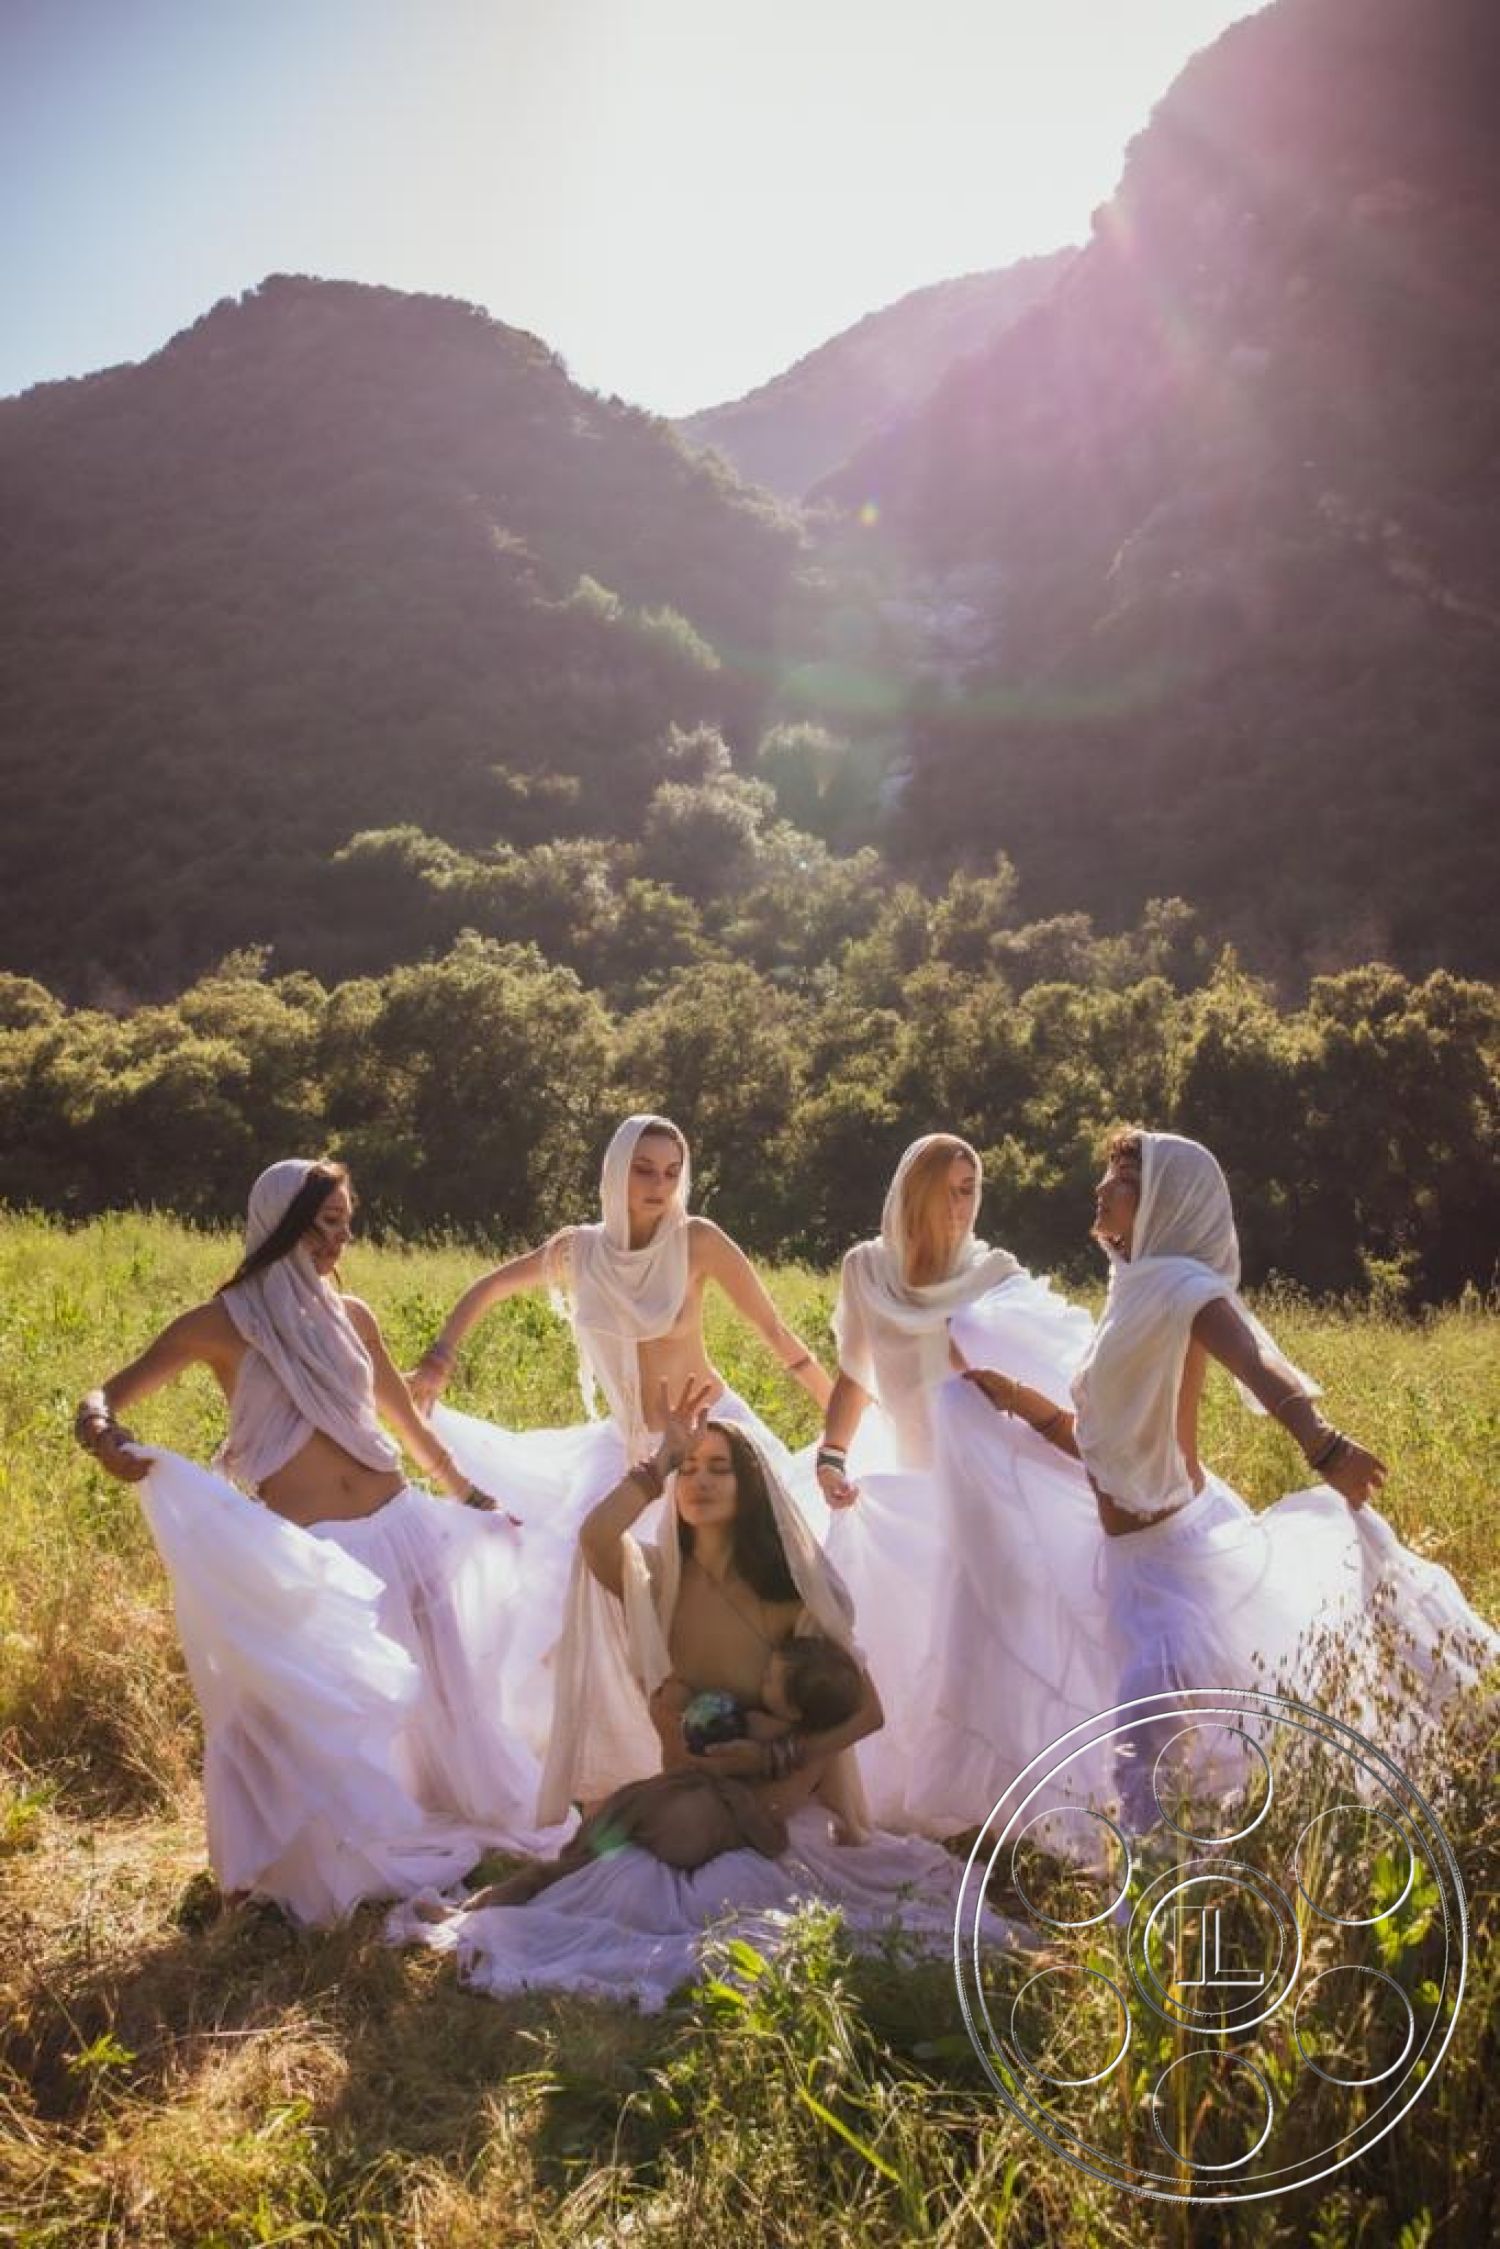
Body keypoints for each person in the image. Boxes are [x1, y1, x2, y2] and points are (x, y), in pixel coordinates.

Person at [392, 1388, 1030, 2008]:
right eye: (689, 1471)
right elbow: (595, 1539)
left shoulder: (790, 1592)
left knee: (686, 1852)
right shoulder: (661, 1579)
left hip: (770, 1803)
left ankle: (557, 1875)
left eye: (718, 1470)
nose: (698, 1482)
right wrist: (656, 1464)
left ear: (750, 1488)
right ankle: (546, 1879)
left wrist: (780, 1757)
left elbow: (866, 1711)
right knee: (647, 1851)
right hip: (689, 1790)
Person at [945, 1128, 1500, 1828]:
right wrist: (1021, 1401)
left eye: (1117, 1179)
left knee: (1148, 1738)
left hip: (1176, 1558)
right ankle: (1213, 1867)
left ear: (1159, 1200)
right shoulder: (1134, 1287)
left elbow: (1255, 1363)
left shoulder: (1184, 1286)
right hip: (1127, 1564)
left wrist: (1324, 1446)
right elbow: (1101, 1444)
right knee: (1203, 1736)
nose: (1100, 1189)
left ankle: (1152, 1903)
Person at [74, 1158, 563, 1925]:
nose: (337, 1238)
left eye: (343, 1221)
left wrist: (472, 1496)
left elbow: (404, 1424)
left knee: (447, 1695)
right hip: (320, 1555)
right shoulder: (223, 1323)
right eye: (320, 1223)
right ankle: (273, 1863)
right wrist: (103, 1430)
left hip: (402, 1529)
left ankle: (447, 1815)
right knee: (299, 1709)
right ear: (278, 1225)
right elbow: (104, 1393)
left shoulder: (352, 1315)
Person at [406, 1114, 834, 1756]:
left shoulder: (699, 1242)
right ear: (615, 1172)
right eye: (644, 1170)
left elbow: (780, 1338)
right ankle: (626, 1749)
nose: (659, 1186)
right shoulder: (580, 1252)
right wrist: (439, 1359)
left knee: (757, 1581)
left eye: (671, 1172)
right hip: (628, 1445)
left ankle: (772, 1736)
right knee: (588, 1589)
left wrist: (841, 1430)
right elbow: (489, 1288)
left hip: (713, 1433)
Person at [808, 1133, 1093, 1829]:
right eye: (949, 1188)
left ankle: (1006, 1807)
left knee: (989, 1636)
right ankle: (921, 1793)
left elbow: (1050, 1371)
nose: (962, 1204)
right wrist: (833, 1453)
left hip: (989, 1484)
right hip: (910, 1480)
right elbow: (856, 1373)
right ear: (914, 1192)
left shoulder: (994, 1273)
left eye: (971, 1188)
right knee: (907, 1635)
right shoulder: (867, 1269)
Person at [448, 1637, 867, 1907]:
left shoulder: (759, 1726)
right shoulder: (816, 1750)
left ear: (791, 1706)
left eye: (772, 1678)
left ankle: (524, 1887)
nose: (762, 1679)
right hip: (713, 1823)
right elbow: (824, 1801)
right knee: (612, 1843)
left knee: (605, 1834)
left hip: (693, 1814)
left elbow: (714, 1764)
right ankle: (531, 1886)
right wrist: (848, 1828)